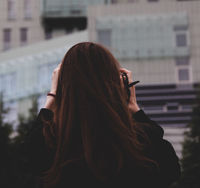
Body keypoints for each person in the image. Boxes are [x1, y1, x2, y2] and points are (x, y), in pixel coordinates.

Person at [24, 42, 181, 188]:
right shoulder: (138, 141)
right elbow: (170, 171)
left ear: (62, 87)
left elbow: (27, 159)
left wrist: (52, 97)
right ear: (118, 85)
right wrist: (134, 108)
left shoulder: (51, 144)